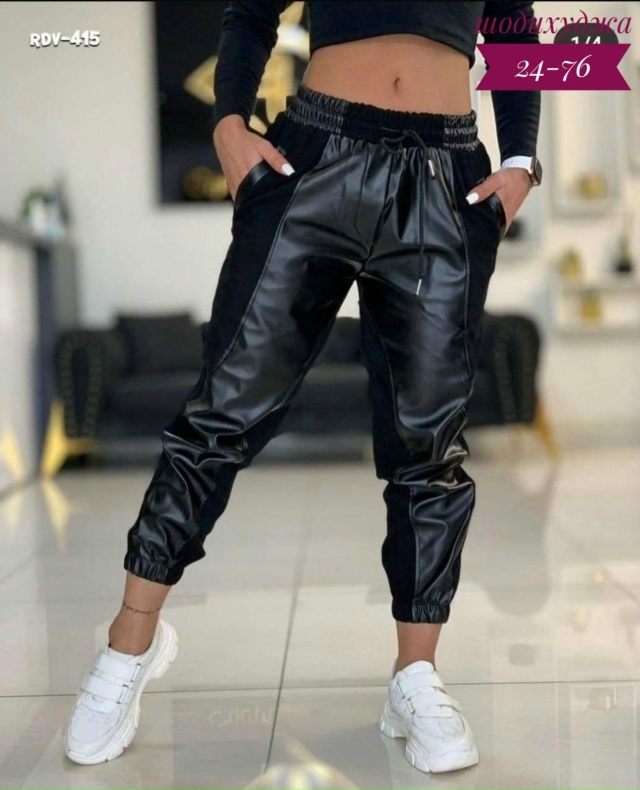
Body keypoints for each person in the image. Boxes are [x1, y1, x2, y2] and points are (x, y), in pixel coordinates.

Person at [65, 0, 541, 775]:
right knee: (222, 413)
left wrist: (521, 161)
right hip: (317, 157)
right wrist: (229, 123)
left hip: (447, 174)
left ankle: (415, 676)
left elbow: (515, 24)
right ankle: (129, 644)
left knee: (429, 444)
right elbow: (250, 11)